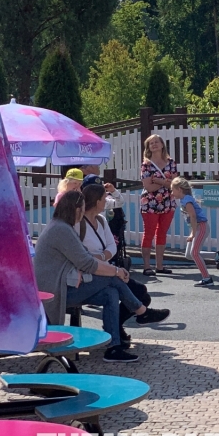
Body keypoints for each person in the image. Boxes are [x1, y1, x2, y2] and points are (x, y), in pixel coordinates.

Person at [35, 190, 169, 363]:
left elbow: (87, 260)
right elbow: (87, 264)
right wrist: (116, 271)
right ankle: (141, 311)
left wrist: (115, 270)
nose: (82, 213)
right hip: (57, 292)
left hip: (62, 286)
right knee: (112, 279)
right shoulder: (61, 230)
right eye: (81, 209)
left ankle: (114, 347)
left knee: (111, 293)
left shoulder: (60, 226)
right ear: (76, 210)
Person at [78, 180, 152, 344]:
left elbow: (112, 246)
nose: (106, 201)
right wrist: (102, 259)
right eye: (104, 198)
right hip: (91, 272)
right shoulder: (78, 224)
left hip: (105, 266)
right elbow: (82, 256)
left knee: (141, 293)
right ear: (97, 202)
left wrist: (102, 256)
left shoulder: (102, 220)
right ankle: (137, 316)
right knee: (138, 292)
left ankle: (118, 326)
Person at [140, 135, 179, 277]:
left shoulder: (171, 162)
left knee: (162, 233)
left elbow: (175, 184)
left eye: (157, 142)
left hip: (168, 202)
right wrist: (165, 182)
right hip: (150, 203)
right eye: (151, 143)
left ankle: (160, 266)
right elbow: (148, 187)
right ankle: (146, 266)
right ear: (148, 147)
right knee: (149, 233)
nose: (154, 145)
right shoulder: (146, 165)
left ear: (162, 145)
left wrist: (157, 180)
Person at [171, 177, 214, 287]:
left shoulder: (187, 201)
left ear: (179, 189)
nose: (172, 192)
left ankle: (207, 278)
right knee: (189, 255)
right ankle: (215, 255)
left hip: (201, 227)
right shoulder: (183, 199)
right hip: (196, 228)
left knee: (194, 253)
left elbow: (193, 216)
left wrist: (193, 233)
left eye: (173, 190)